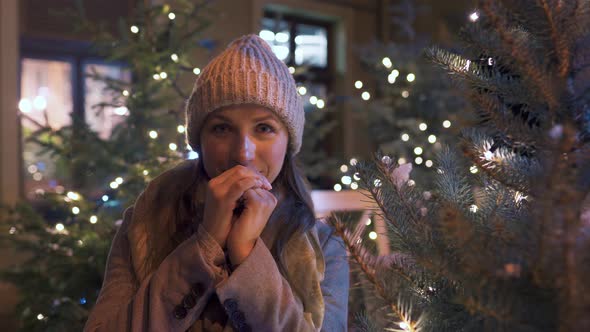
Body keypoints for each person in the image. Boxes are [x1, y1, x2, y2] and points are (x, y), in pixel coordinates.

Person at [84, 34, 349, 332]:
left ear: (288, 142)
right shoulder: (146, 221)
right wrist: (206, 243)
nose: (243, 153)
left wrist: (247, 253)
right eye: (222, 128)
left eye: (264, 128)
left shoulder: (324, 246)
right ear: (200, 141)